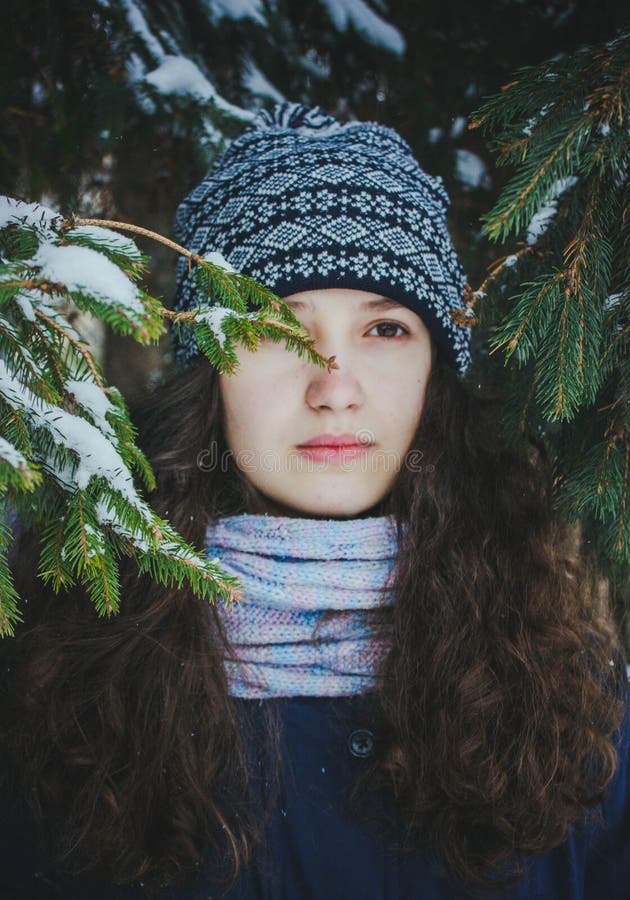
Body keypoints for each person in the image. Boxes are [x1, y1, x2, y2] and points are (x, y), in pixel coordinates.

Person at [1, 101, 629, 900]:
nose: (335, 388)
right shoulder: (60, 688)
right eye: (273, 328)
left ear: (435, 376)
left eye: (386, 330)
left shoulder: (578, 709)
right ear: (209, 373)